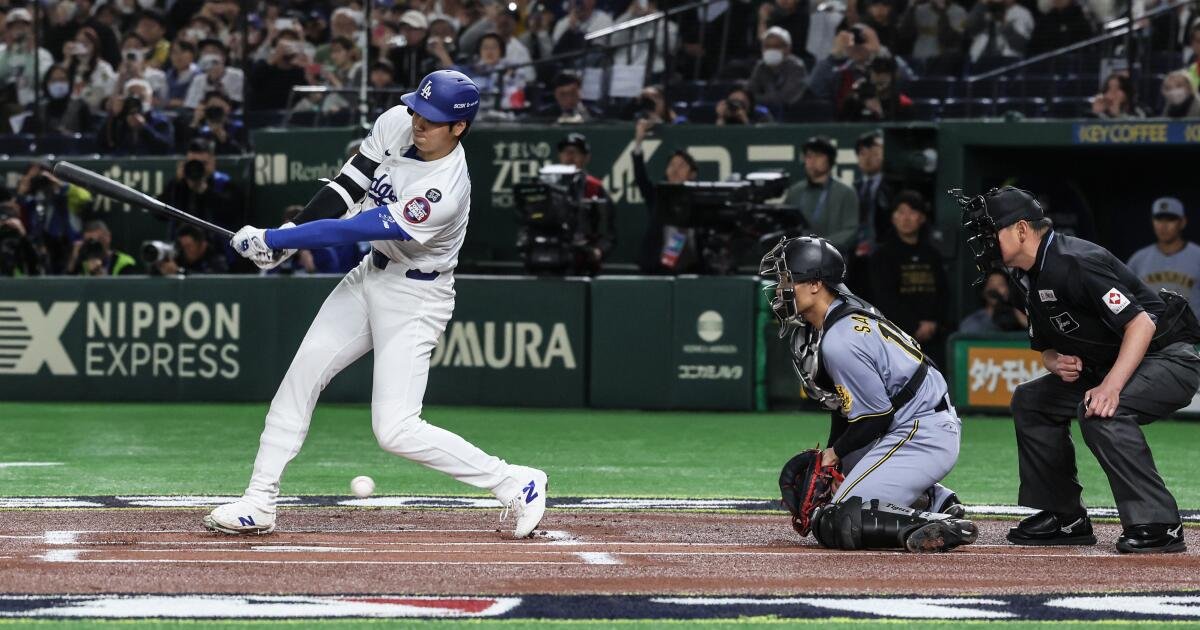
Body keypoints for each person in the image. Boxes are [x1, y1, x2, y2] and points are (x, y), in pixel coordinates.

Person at [207, 70, 548, 539]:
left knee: (395, 430)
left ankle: (515, 482)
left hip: (417, 296)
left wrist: (277, 236)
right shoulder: (395, 123)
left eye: (432, 118)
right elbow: (344, 192)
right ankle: (259, 501)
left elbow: (355, 227)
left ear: (459, 127)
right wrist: (283, 248)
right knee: (300, 376)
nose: (418, 122)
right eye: (416, 110)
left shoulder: (443, 191)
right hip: (371, 275)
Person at [958, 186, 1200, 553]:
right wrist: (1054, 360)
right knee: (1032, 399)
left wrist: (1111, 387)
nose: (985, 242)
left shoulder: (1075, 260)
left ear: (1022, 229)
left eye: (991, 232)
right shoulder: (1024, 273)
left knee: (1101, 410)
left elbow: (1142, 324)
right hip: (1113, 363)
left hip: (1167, 358)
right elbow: (1045, 346)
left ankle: (1159, 522)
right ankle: (1065, 517)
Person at [760, 235, 974, 552]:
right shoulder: (838, 317)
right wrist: (834, 459)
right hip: (906, 426)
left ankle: (932, 523)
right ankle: (936, 499)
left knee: (837, 519)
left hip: (920, 433)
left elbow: (875, 417)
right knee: (834, 497)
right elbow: (847, 410)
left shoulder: (840, 339)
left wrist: (832, 457)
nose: (780, 289)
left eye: (788, 279)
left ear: (816, 284)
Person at [868, 191, 948, 364]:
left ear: (922, 218)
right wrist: (913, 327)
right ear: (893, 218)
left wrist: (933, 323)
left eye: (912, 212)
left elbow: (943, 293)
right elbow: (885, 298)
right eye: (901, 212)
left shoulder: (932, 255)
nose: (906, 218)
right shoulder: (882, 255)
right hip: (896, 338)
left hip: (933, 337)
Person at [632, 118, 699, 273]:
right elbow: (641, 177)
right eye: (672, 165)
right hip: (657, 269)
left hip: (692, 269)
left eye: (681, 166)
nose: (675, 170)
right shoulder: (657, 196)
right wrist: (638, 141)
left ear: (692, 174)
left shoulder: (699, 200)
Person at [783, 136, 859, 255]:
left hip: (832, 261)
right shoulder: (795, 191)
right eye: (808, 156)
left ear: (830, 160)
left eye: (818, 156)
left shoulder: (846, 192)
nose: (812, 161)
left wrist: (819, 246)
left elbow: (851, 231)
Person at [1126, 197, 1200, 317]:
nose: (1163, 226)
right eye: (1159, 219)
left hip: (1191, 333)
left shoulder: (1197, 256)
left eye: (1171, 219)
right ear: (1152, 221)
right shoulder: (1138, 260)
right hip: (1152, 332)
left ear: (1182, 222)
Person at [159, 138, 245, 241]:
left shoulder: (224, 183)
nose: (197, 168)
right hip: (181, 246)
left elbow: (233, 216)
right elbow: (159, 215)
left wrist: (205, 190)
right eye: (193, 163)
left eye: (203, 163)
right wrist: (176, 184)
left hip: (216, 248)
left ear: (213, 162)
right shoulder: (178, 184)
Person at [0, 7, 54, 120]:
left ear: (31, 29)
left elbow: (42, 82)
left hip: (33, 107)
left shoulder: (43, 54)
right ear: (7, 30)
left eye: (23, 26)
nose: (19, 30)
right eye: (14, 26)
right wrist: (7, 53)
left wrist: (31, 55)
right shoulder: (1, 52)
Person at [98, 79, 175, 155]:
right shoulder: (119, 119)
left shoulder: (160, 120)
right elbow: (101, 145)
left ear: (150, 99)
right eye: (132, 96)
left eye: (141, 97)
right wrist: (114, 116)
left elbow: (166, 147)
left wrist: (144, 127)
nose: (137, 101)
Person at [747, 26, 810, 111]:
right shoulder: (761, 66)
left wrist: (757, 99)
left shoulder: (797, 67)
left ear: (788, 48)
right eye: (767, 46)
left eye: (777, 46)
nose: (771, 50)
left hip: (790, 114)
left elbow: (783, 99)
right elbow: (749, 94)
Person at [959, 269, 1029, 334]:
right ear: (983, 291)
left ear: (1009, 290)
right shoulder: (973, 322)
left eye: (1000, 284)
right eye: (990, 285)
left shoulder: (1019, 316)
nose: (994, 289)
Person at [896, 0, 967, 62]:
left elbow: (949, 41)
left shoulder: (959, 12)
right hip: (921, 58)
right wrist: (912, 7)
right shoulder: (920, 9)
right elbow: (903, 34)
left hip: (946, 62)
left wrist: (942, 11)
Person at [964, 0, 1034, 62]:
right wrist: (981, 3)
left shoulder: (1022, 13)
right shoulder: (984, 10)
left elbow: (1020, 44)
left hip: (1007, 63)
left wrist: (1003, 23)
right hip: (978, 60)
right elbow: (970, 28)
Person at [180, 91, 246, 154]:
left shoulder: (238, 127)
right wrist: (195, 121)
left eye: (218, 108)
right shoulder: (203, 130)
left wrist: (224, 138)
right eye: (211, 107)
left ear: (228, 107)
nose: (215, 111)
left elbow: (241, 153)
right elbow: (186, 151)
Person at [67, 219, 138, 276]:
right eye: (89, 242)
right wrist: (74, 259)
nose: (94, 246)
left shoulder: (125, 263)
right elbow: (66, 288)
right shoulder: (82, 263)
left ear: (108, 237)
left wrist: (100, 275)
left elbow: (128, 290)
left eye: (98, 240)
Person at [1028, 0, 1094, 56]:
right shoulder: (1045, 20)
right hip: (1042, 66)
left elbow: (1086, 48)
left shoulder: (1080, 20)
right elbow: (1033, 47)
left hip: (1070, 66)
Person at [157, 224, 228, 275]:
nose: (185, 250)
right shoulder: (180, 255)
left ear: (202, 245)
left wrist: (179, 271)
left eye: (188, 246)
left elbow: (211, 280)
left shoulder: (217, 259)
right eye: (182, 246)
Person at [536, 72, 600, 123]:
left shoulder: (595, 115)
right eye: (563, 95)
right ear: (555, 94)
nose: (569, 99)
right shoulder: (543, 116)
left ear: (580, 91)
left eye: (573, 94)